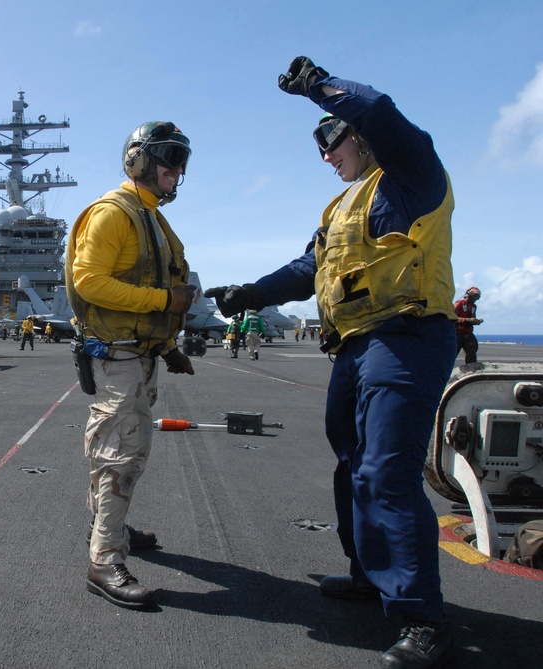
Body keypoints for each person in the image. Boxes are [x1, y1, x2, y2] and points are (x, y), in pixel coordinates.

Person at [205, 57, 456, 669]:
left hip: (405, 338)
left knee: (388, 472)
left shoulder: (411, 176)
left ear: (361, 136)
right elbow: (305, 269)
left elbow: (380, 111)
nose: (325, 155)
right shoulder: (342, 208)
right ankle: (369, 573)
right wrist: (251, 294)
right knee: (354, 465)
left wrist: (320, 88)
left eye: (332, 139)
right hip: (356, 346)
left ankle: (421, 617)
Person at [66, 120, 196, 610]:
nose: (177, 170)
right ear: (138, 160)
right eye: (168, 158)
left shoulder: (154, 220)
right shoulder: (114, 213)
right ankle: (104, 559)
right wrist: (166, 300)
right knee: (120, 453)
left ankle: (109, 524)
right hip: (117, 356)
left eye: (181, 160)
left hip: (140, 355)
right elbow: (90, 282)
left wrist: (166, 348)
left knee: (124, 450)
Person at [454, 287, 483, 364]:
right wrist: (467, 320)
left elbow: (472, 318)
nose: (474, 299)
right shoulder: (459, 304)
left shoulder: (473, 307)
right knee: (453, 353)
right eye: (473, 297)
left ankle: (471, 368)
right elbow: (452, 318)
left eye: (476, 298)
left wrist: (477, 321)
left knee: (472, 350)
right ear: (468, 295)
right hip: (457, 333)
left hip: (468, 333)